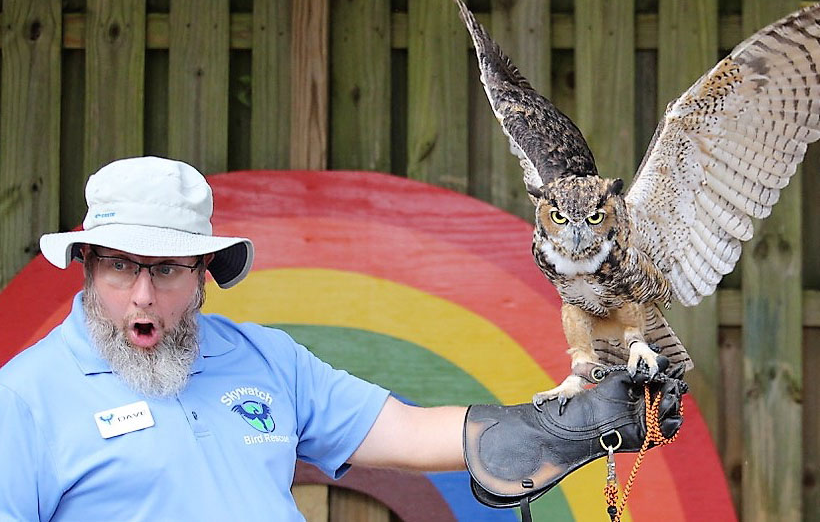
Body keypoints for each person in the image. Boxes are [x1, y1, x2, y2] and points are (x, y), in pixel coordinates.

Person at [0, 156, 685, 520]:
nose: (142, 295)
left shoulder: (261, 357)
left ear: (204, 273)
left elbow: (410, 434)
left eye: (167, 269)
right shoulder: (25, 398)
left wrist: (570, 423)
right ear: (86, 264)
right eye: (120, 266)